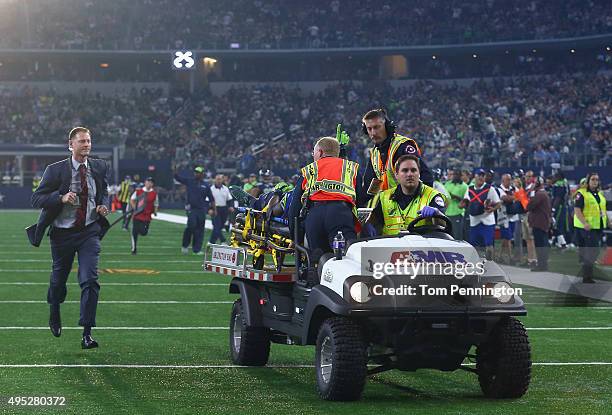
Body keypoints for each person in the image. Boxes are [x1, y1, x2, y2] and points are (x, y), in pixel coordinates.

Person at [28, 126, 110, 349]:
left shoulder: (100, 166)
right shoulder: (55, 170)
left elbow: (104, 192)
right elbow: (37, 199)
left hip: (89, 232)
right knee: (58, 281)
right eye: (82, 141)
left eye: (89, 141)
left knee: (90, 280)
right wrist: (61, 197)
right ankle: (54, 309)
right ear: (71, 144)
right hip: (62, 234)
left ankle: (87, 333)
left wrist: (104, 205)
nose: (87, 145)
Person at [288, 136, 359, 254]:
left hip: (315, 215)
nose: (313, 155)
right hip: (341, 214)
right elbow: (361, 200)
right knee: (346, 257)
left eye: (313, 152)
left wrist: (296, 238)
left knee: (317, 261)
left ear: (320, 152)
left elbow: (294, 208)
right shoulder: (351, 168)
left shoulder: (309, 170)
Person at [359, 108, 433, 206]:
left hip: (409, 207)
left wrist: (421, 205)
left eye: (377, 127)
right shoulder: (374, 154)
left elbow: (425, 177)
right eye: (369, 129)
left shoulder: (402, 146)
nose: (373, 133)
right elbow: (369, 188)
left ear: (387, 126)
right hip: (391, 208)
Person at [368, 155, 446, 235]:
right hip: (390, 245)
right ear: (396, 175)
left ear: (419, 174)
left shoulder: (432, 196)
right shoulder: (385, 197)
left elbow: (444, 228)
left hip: (421, 246)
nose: (409, 174)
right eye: (405, 170)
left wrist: (437, 214)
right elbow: (374, 222)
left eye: (413, 170)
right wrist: (368, 225)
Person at [574, 173, 607, 283]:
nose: (595, 181)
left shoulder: (599, 194)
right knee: (593, 250)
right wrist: (584, 223)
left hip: (598, 226)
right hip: (588, 227)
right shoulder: (582, 194)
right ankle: (587, 276)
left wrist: (608, 220)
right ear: (588, 181)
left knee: (594, 250)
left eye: (597, 179)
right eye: (593, 179)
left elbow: (601, 210)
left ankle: (587, 274)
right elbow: (577, 210)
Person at [174, 166, 216, 255]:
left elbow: (211, 199)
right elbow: (177, 178)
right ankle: (185, 245)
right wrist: (175, 171)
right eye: (195, 172)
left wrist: (214, 210)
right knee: (191, 226)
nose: (196, 173)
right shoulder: (190, 181)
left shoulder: (206, 185)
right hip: (192, 209)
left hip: (201, 210)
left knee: (200, 230)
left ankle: (196, 250)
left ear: (202, 174)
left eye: (198, 172)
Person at [460, 168, 500, 259]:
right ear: (475, 177)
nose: (481, 178)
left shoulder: (490, 189)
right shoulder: (469, 189)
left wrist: (492, 209)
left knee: (488, 243)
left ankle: (490, 262)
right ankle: (477, 263)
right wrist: (463, 204)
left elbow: (498, 203)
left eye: (483, 176)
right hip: (474, 220)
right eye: (479, 175)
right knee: (474, 244)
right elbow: (466, 201)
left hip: (487, 220)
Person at [526, 177, 552, 271]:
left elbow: (529, 206)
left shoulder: (539, 194)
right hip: (543, 222)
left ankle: (542, 265)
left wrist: (531, 191)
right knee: (543, 244)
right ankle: (543, 264)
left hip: (539, 223)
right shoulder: (543, 193)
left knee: (540, 245)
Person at [130, 177, 159, 255]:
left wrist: (155, 211)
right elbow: (132, 200)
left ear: (152, 184)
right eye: (148, 181)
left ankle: (141, 230)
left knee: (144, 232)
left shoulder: (154, 193)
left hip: (147, 216)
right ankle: (134, 249)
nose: (149, 183)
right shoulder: (138, 191)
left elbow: (156, 203)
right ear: (145, 182)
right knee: (134, 232)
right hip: (137, 215)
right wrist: (134, 208)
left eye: (151, 182)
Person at [498, 173, 522, 264]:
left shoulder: (513, 189)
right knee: (507, 237)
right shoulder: (499, 189)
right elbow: (505, 198)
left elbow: (521, 195)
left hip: (513, 217)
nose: (509, 181)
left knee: (506, 238)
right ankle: (510, 257)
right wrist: (515, 197)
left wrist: (513, 197)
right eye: (507, 179)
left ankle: (500, 256)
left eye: (510, 179)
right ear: (503, 180)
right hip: (503, 217)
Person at [444, 168, 468, 240]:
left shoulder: (464, 186)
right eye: (454, 174)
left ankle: (458, 250)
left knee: (457, 235)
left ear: (460, 176)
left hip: (457, 212)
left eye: (457, 175)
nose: (455, 176)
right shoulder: (447, 183)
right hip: (447, 212)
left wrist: (455, 197)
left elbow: (466, 200)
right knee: (447, 234)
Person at [209, 174, 234, 244]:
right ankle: (223, 240)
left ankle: (211, 241)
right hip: (215, 209)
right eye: (217, 179)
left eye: (220, 179)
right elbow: (208, 200)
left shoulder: (226, 189)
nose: (218, 181)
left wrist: (231, 206)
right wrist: (209, 209)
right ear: (214, 180)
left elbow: (229, 199)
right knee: (217, 226)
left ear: (222, 180)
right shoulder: (211, 189)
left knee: (219, 227)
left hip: (224, 209)